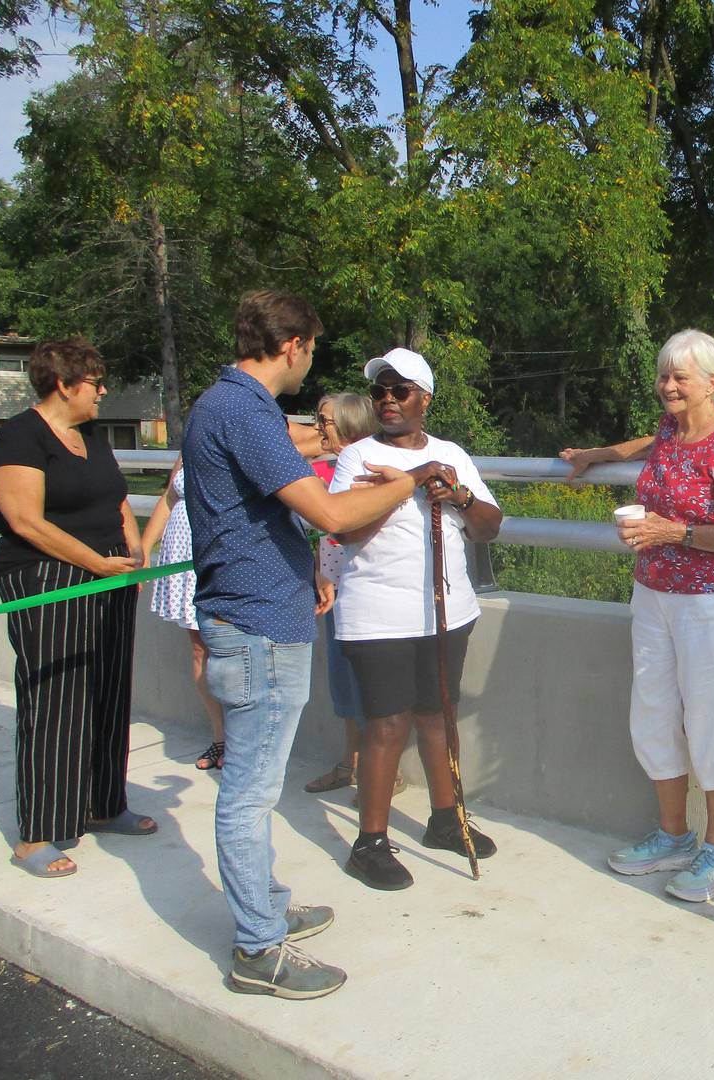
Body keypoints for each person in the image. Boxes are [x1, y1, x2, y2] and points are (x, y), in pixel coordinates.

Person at [183, 290, 422, 999]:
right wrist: (406, 484)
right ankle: (259, 948)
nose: (310, 363)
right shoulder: (243, 411)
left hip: (261, 614)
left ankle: (264, 901)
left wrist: (300, 568)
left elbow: (260, 511)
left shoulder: (223, 407)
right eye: (312, 349)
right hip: (255, 626)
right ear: (293, 346)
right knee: (250, 794)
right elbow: (327, 509)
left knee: (254, 785)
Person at [562, 329, 714, 904]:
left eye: (680, 377)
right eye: (664, 375)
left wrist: (675, 532)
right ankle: (675, 836)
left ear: (712, 383)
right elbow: (641, 446)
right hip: (653, 595)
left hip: (709, 604)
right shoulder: (670, 432)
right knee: (652, 714)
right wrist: (596, 455)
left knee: (709, 720)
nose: (668, 386)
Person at [329, 348, 503, 891]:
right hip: (377, 615)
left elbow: (490, 526)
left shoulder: (452, 453)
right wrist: (408, 482)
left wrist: (458, 493)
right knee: (386, 725)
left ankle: (446, 817)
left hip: (447, 612)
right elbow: (347, 531)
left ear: (424, 398)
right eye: (380, 391)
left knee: (438, 715)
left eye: (399, 391)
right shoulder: (356, 458)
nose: (386, 400)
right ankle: (371, 843)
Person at [0, 339, 154, 879]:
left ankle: (104, 805)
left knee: (108, 687)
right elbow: (26, 521)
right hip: (47, 576)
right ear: (64, 383)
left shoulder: (91, 435)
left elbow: (118, 499)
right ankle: (37, 833)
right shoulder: (20, 435)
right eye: (96, 382)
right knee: (55, 696)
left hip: (108, 574)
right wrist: (94, 563)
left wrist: (133, 555)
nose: (103, 391)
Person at [301, 393, 407, 800]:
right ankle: (351, 762)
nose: (319, 429)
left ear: (347, 422)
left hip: (368, 587)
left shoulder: (371, 468)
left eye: (325, 421)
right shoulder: (322, 467)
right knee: (343, 682)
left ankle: (381, 772)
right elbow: (322, 530)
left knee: (374, 688)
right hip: (332, 587)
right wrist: (320, 572)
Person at [141, 457, 225, 771]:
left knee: (228, 648)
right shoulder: (191, 443)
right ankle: (220, 738)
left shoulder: (245, 430)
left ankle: (244, 739)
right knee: (200, 647)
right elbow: (170, 498)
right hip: (182, 561)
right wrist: (145, 545)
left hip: (216, 557)